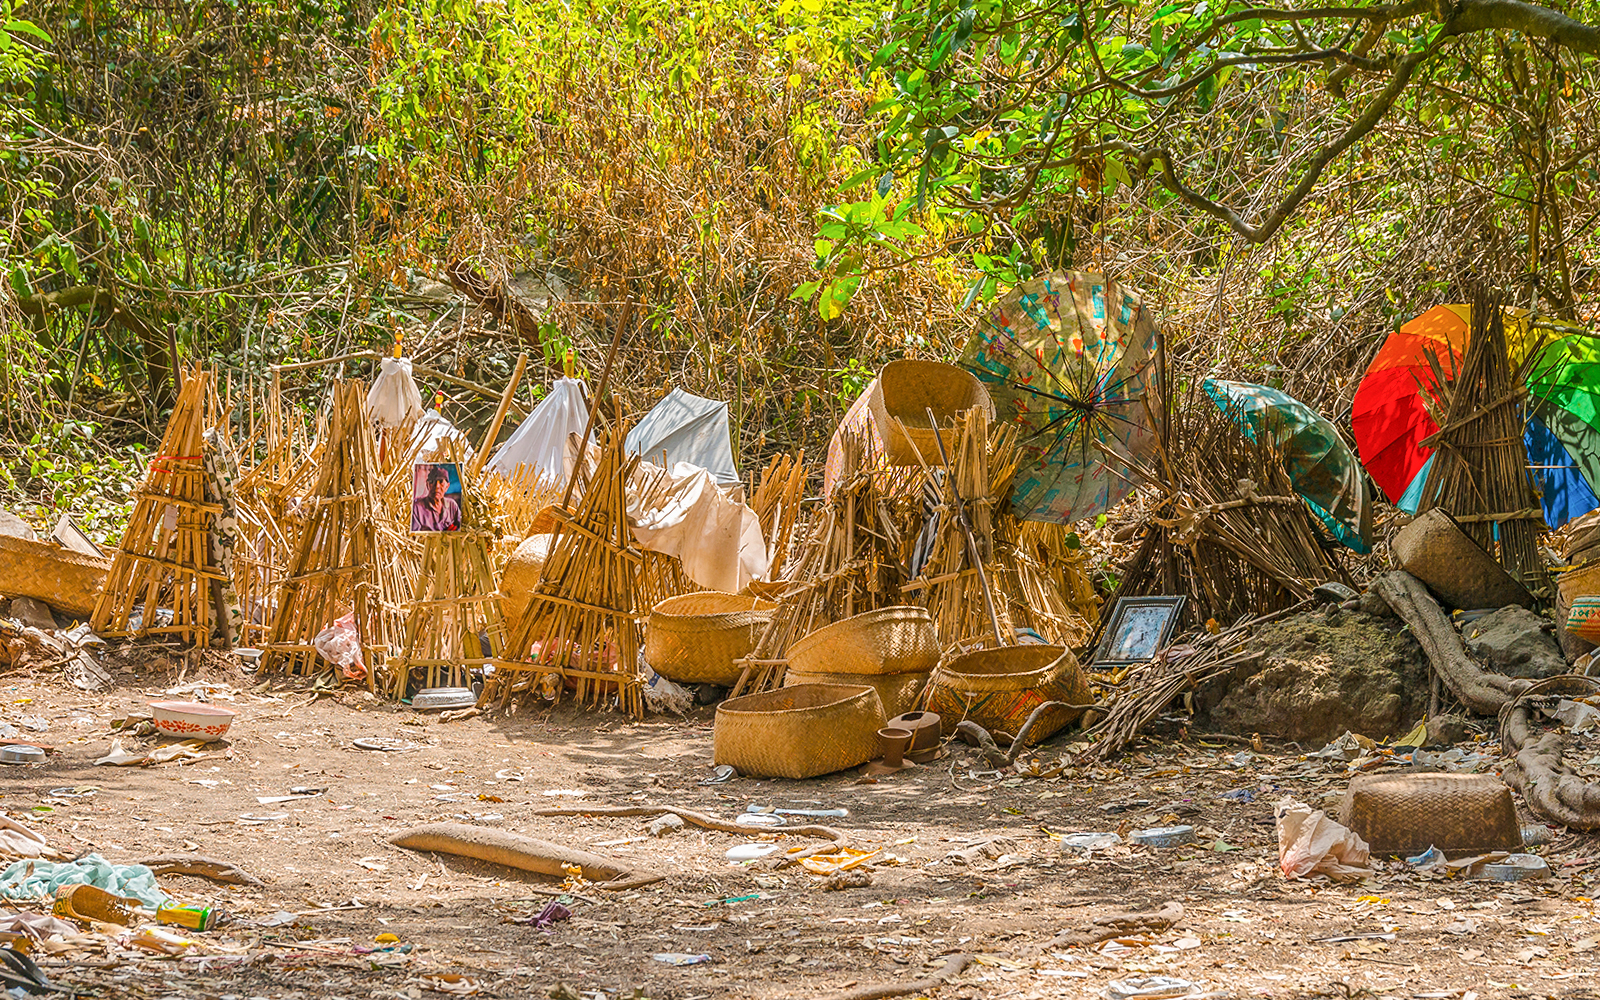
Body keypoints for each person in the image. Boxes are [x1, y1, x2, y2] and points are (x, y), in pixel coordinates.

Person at [412, 464, 461, 531]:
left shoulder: (452, 505)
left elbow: (461, 527)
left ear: (447, 486)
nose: (437, 486)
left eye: (441, 482)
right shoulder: (417, 508)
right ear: (427, 484)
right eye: (432, 482)